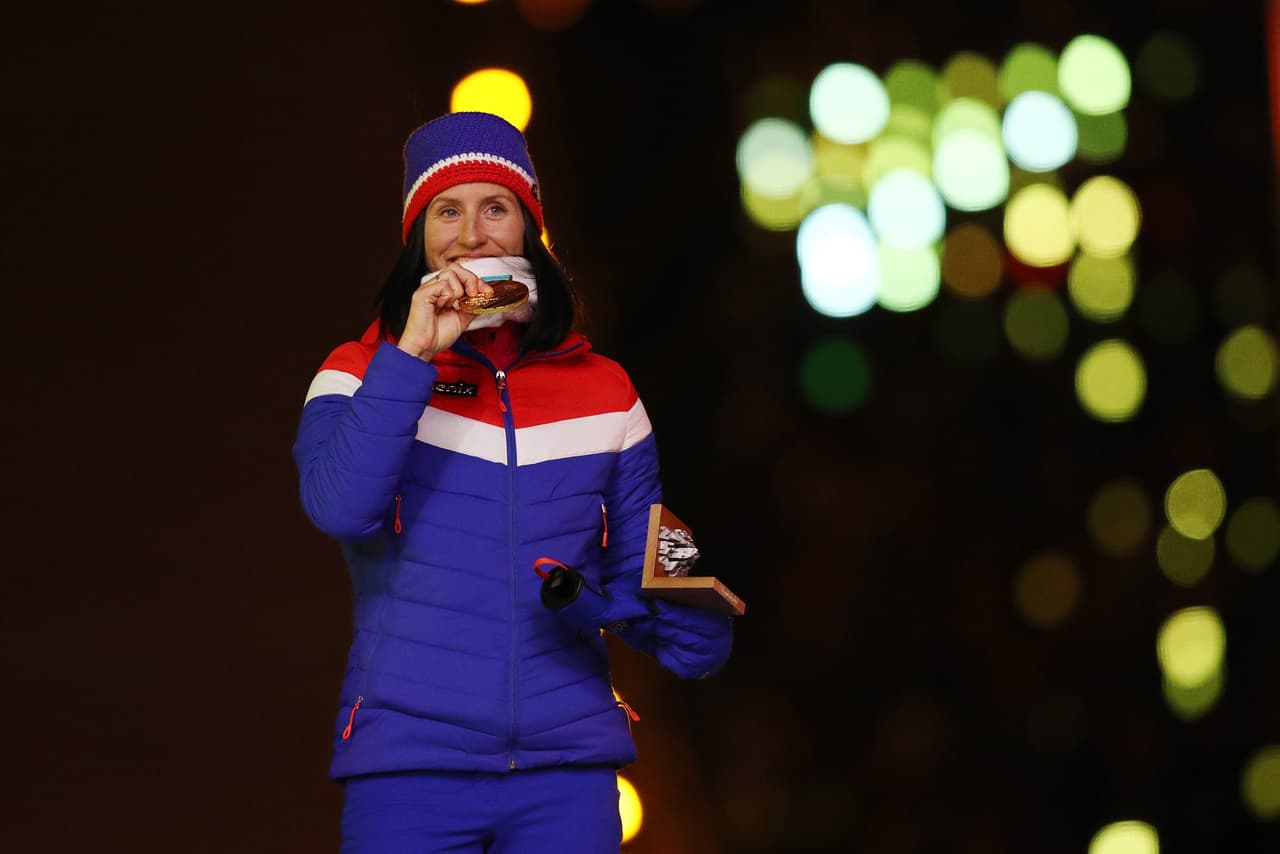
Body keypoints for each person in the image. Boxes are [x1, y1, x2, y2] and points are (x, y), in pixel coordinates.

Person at [292, 110, 734, 853]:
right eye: (447, 211)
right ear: (418, 239)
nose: (471, 235)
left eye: (495, 207)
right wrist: (411, 357)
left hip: (568, 774)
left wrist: (699, 602)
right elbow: (337, 508)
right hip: (409, 768)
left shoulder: (607, 391)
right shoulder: (358, 371)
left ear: (530, 229)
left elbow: (652, 562)